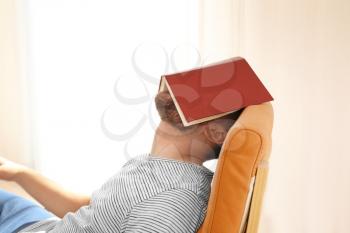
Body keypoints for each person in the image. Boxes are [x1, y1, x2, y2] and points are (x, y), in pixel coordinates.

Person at [0, 90, 242, 233]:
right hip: (38, 224)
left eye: (202, 90)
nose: (183, 85)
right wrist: (19, 173)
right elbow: (87, 209)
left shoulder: (174, 197)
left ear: (217, 133)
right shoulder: (154, 165)